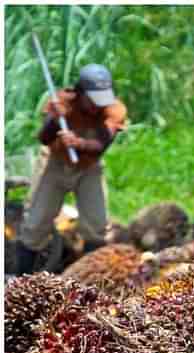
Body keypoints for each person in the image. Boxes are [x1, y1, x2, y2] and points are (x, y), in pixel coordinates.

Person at [16, 64, 127, 275]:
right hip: (54, 164)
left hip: (89, 168)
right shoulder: (63, 104)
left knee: (97, 227)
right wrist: (55, 121)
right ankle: (22, 281)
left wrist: (78, 143)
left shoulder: (114, 111)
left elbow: (101, 145)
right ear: (81, 93)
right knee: (35, 226)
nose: (96, 106)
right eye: (92, 99)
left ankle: (91, 283)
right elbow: (44, 138)